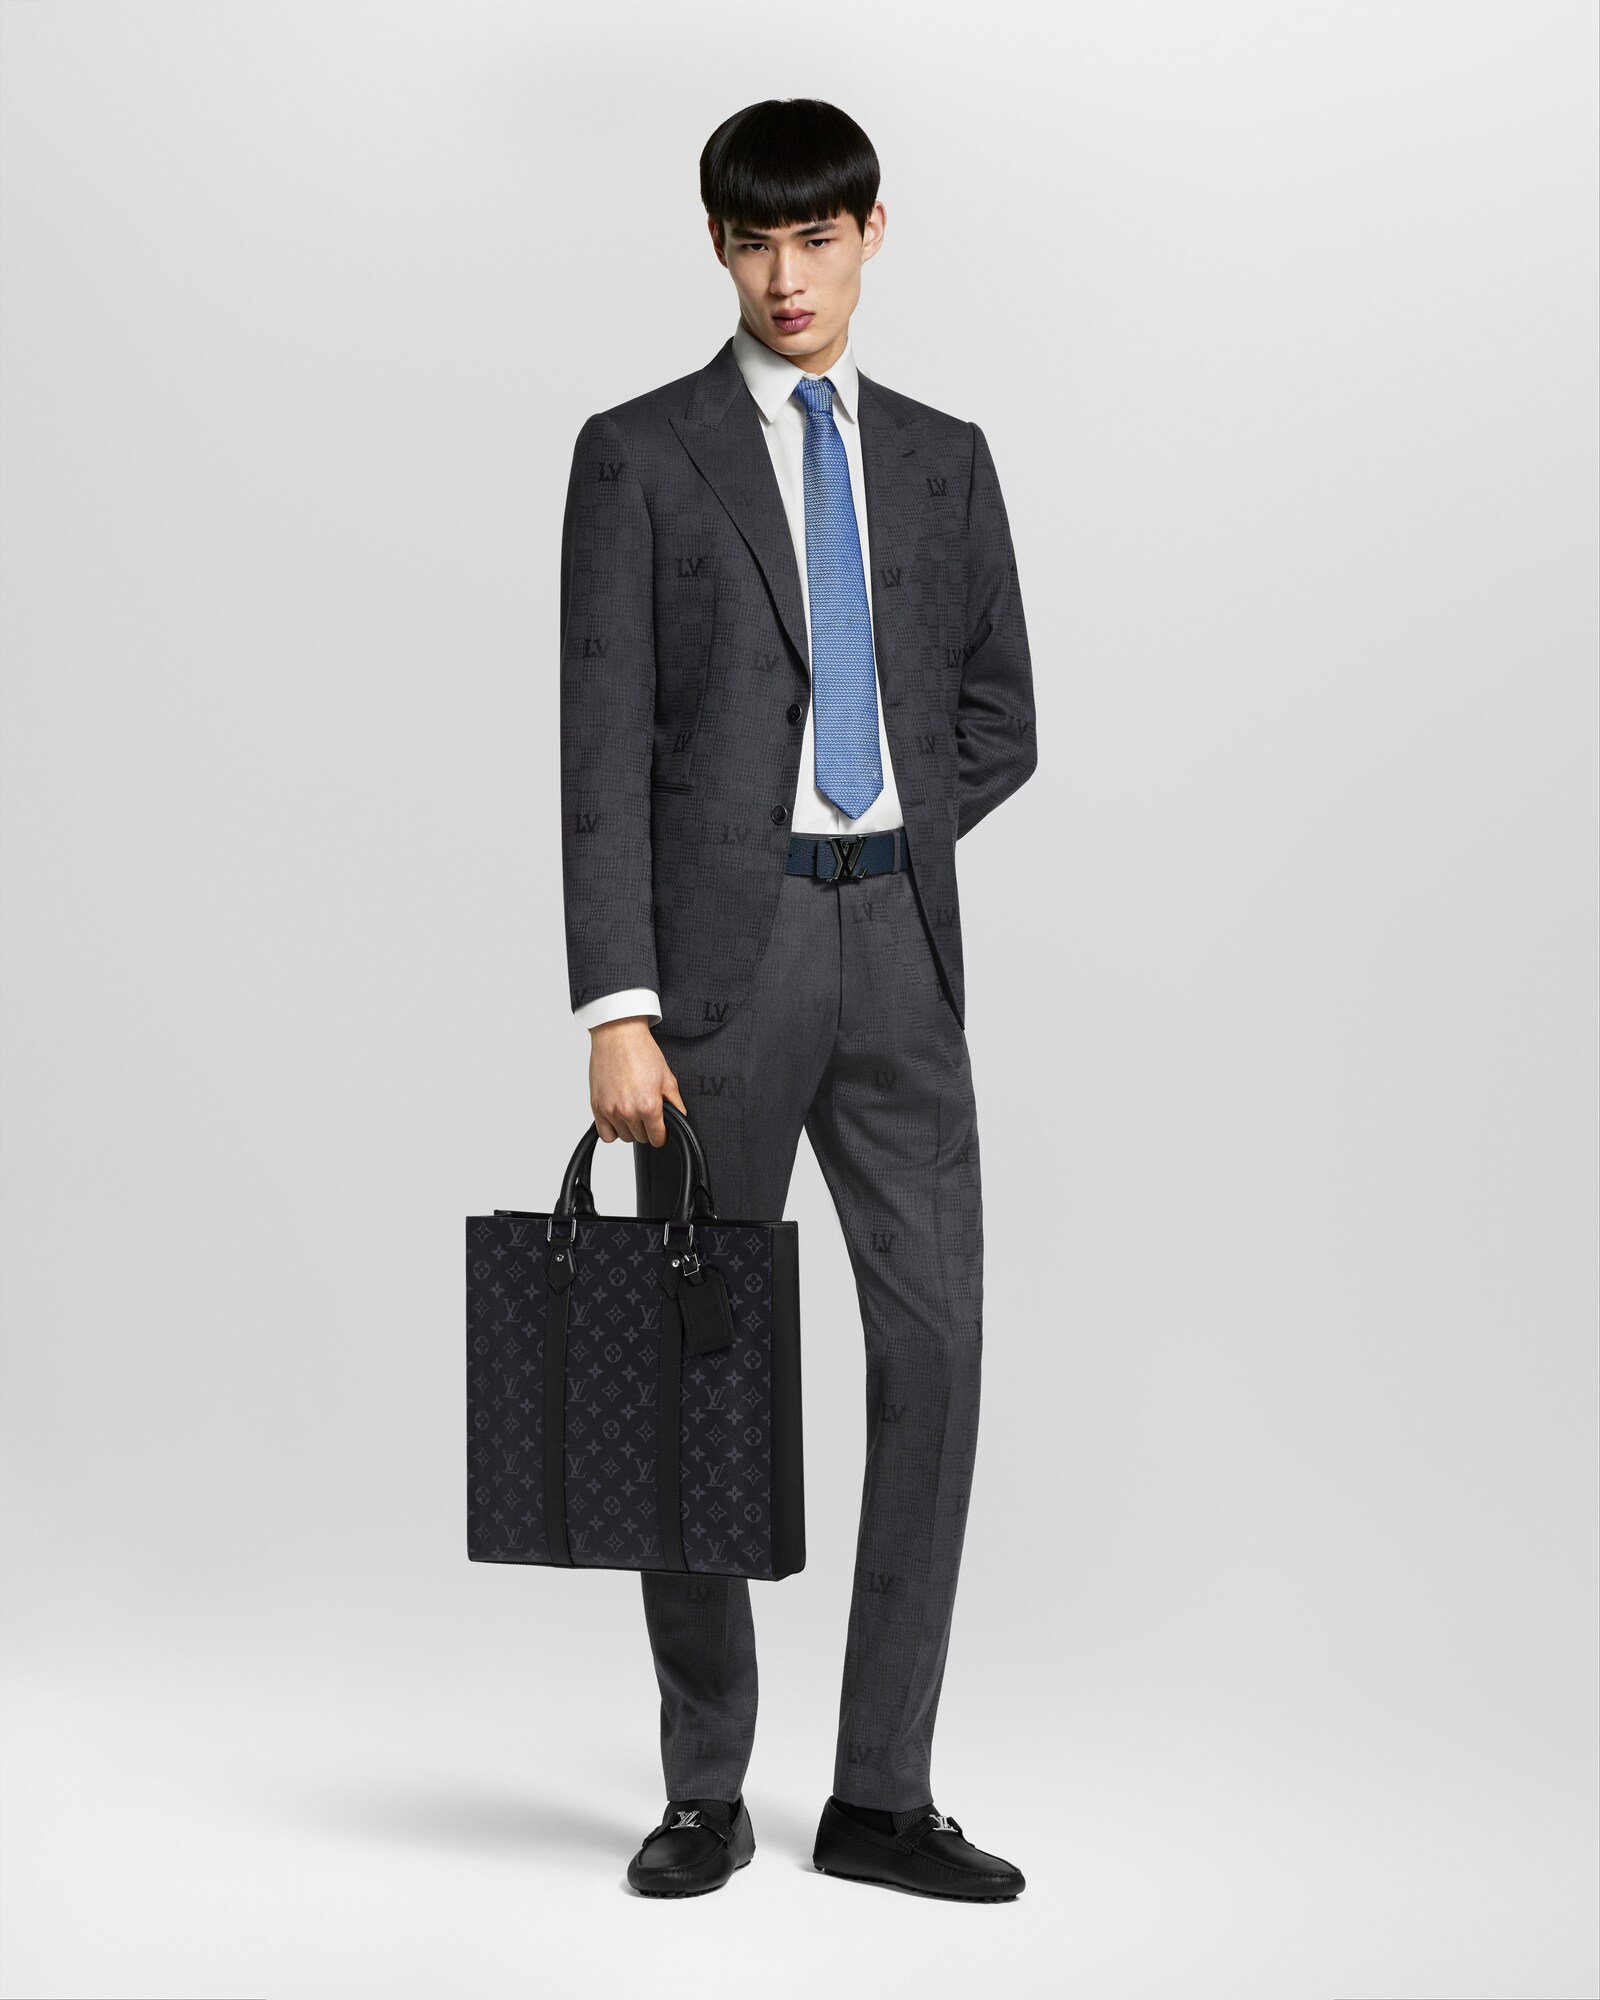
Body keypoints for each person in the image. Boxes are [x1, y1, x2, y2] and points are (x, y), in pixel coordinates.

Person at [559, 97, 1037, 1900]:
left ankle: (881, 1797)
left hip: (900, 954)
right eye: (755, 242)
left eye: (817, 238)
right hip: (712, 973)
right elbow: (600, 744)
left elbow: (1001, 714)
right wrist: (618, 1000)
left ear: (871, 233)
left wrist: (880, 834)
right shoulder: (639, 455)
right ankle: (705, 1788)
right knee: (693, 1364)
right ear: (718, 246)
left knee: (937, 1357)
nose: (787, 276)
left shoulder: (945, 459)